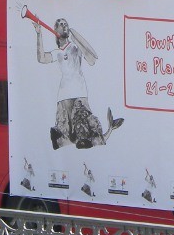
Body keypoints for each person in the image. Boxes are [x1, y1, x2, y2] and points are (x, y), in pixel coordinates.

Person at [32, 16, 123, 150]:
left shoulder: (76, 46)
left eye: (66, 24)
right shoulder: (57, 52)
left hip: (79, 94)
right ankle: (103, 133)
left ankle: (100, 135)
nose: (64, 26)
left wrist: (78, 40)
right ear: (55, 30)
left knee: (84, 127)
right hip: (63, 97)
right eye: (61, 24)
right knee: (66, 134)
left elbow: (92, 60)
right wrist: (39, 33)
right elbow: (41, 58)